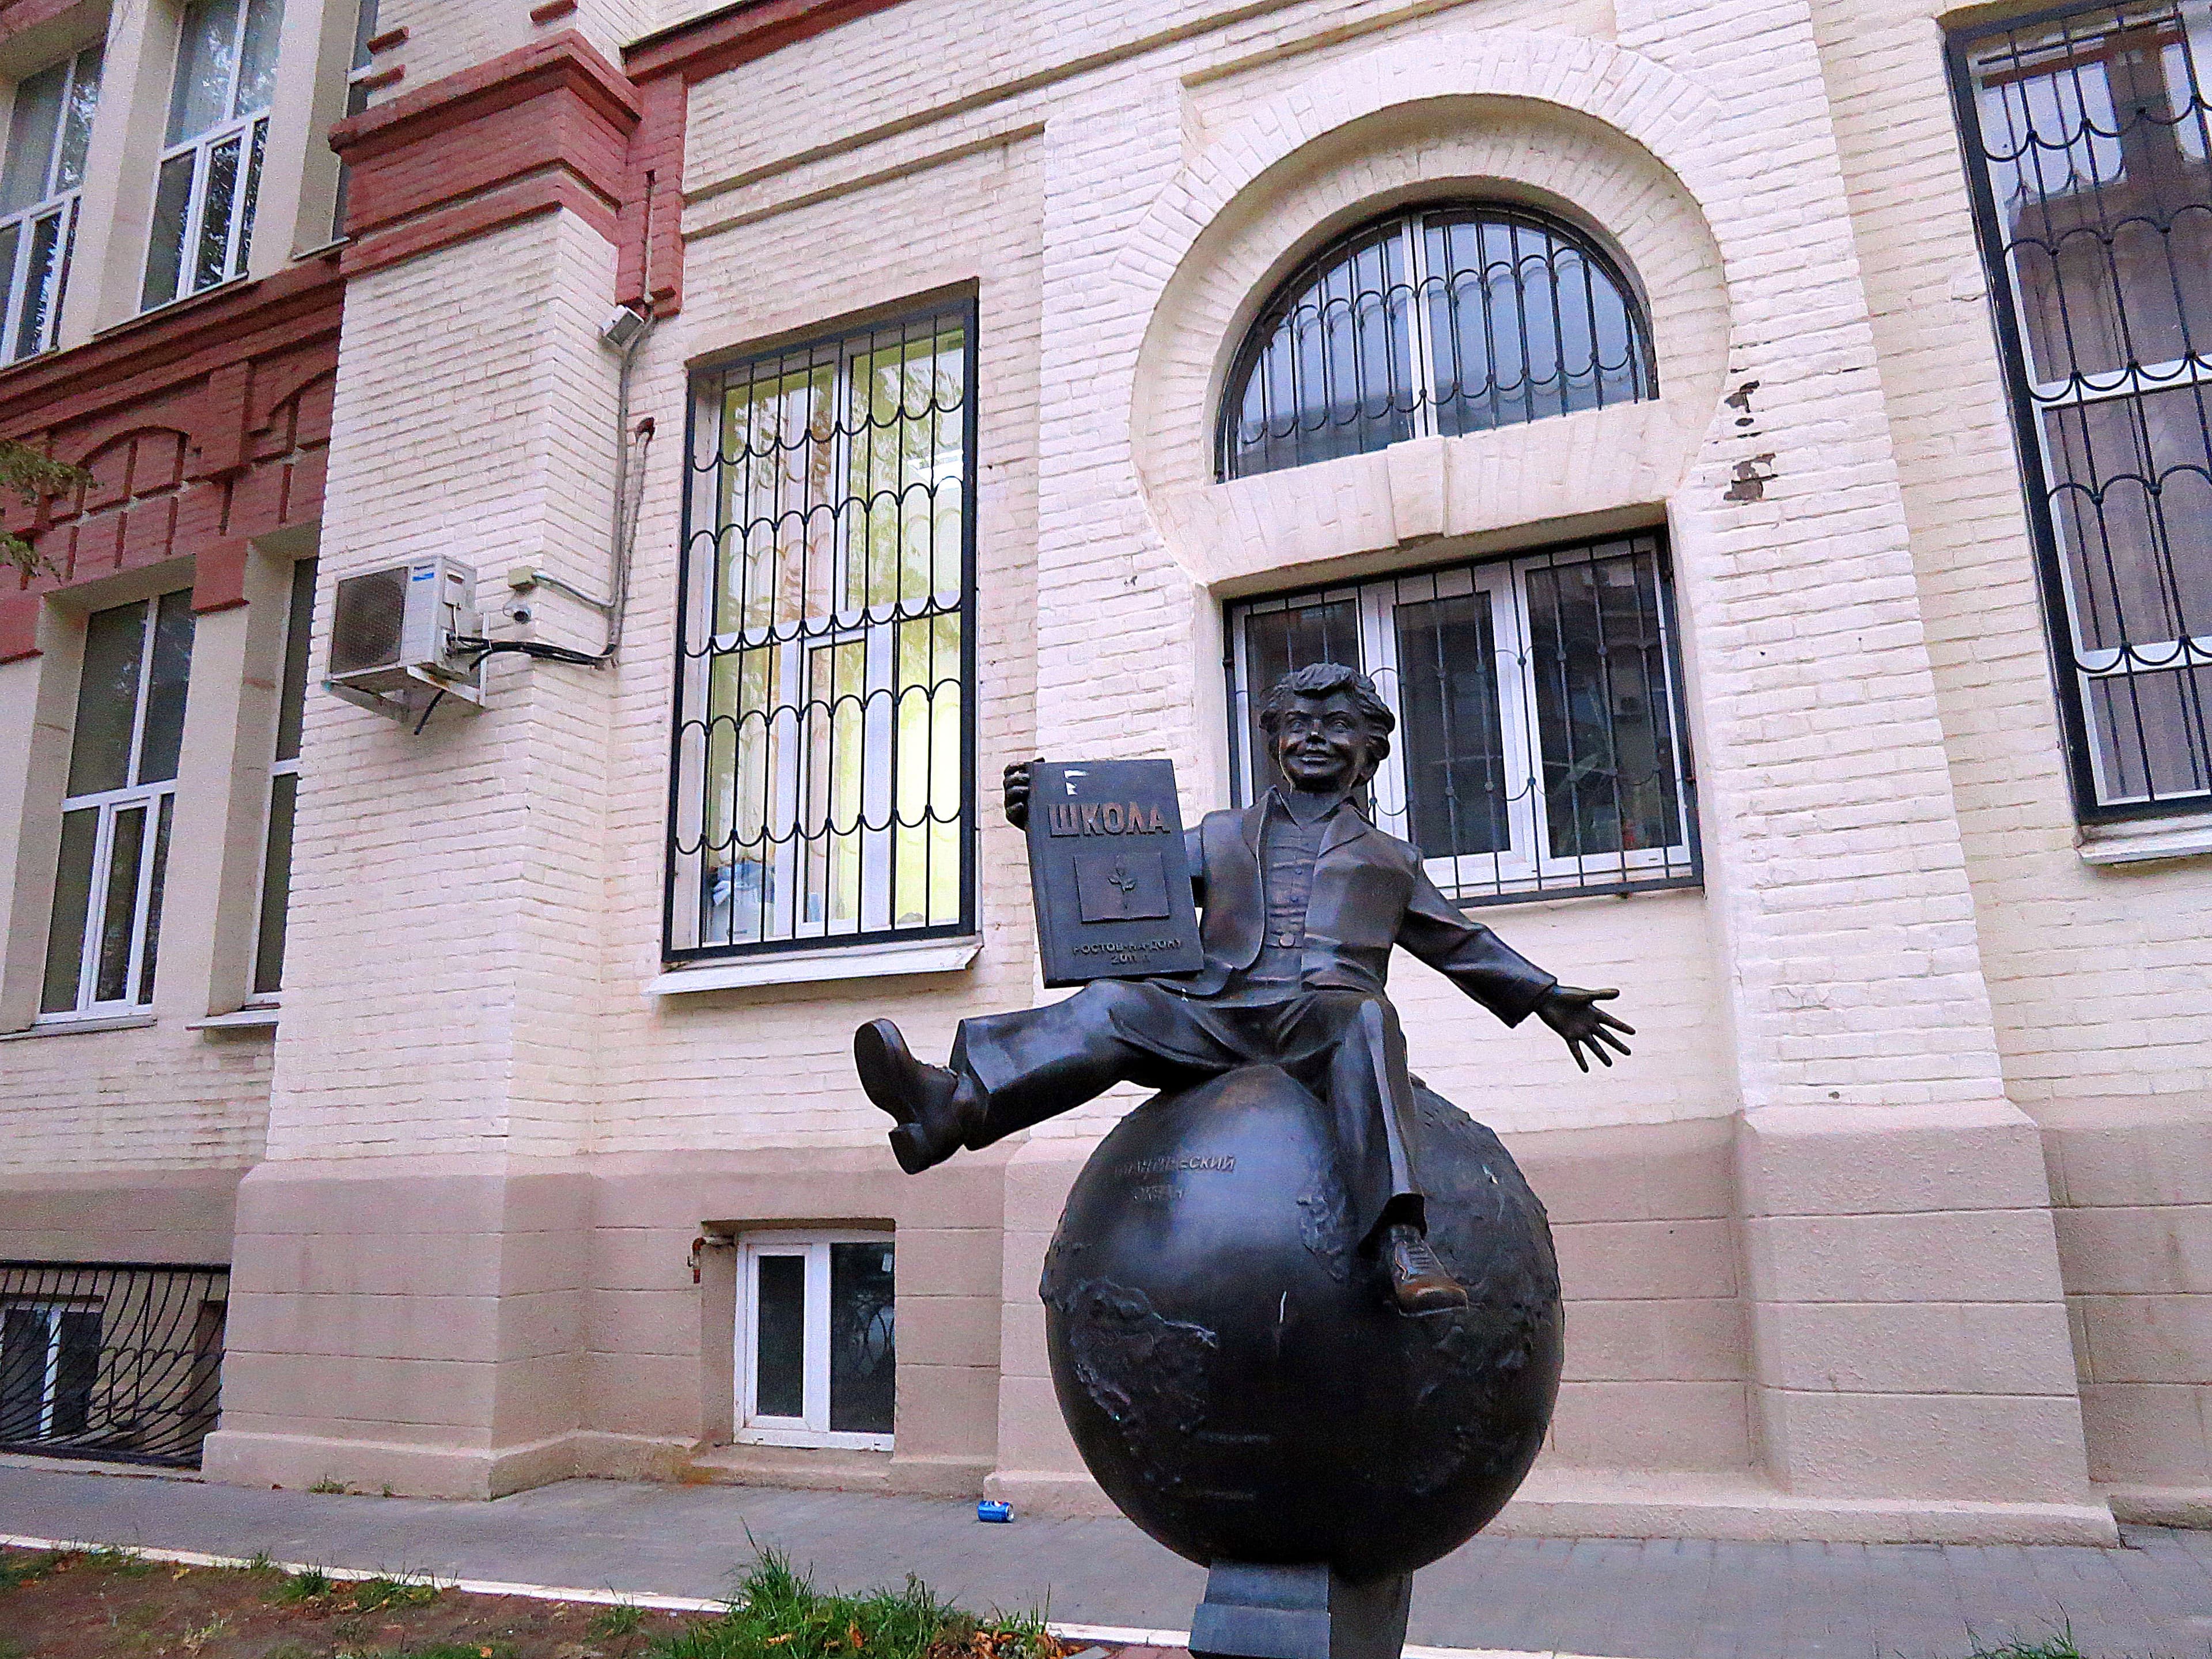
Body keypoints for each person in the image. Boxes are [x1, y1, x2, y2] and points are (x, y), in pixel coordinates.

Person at [853, 662, 1633, 1315]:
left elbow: (1460, 941)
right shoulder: (1223, 832)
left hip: (1320, 1016)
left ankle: (1401, 1240)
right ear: (1275, 743)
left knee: (1367, 1018)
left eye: (1338, 725)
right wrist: (1049, 820)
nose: (1315, 735)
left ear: (1371, 753)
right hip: (1217, 1011)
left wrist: (1542, 997)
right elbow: (1129, 868)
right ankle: (953, 1105)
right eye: (1299, 723)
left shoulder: (1392, 860)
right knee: (1117, 1003)